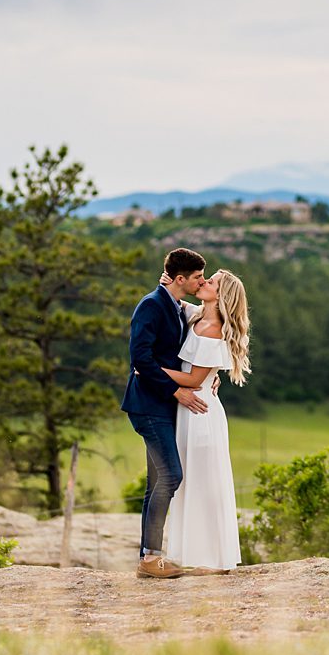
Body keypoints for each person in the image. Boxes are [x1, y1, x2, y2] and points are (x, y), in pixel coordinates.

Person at [122, 247, 209, 578]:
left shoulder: (173, 305)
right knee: (172, 475)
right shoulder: (151, 305)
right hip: (148, 404)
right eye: (198, 276)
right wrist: (176, 390)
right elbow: (140, 359)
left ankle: (148, 556)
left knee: (157, 479)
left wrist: (208, 379)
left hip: (162, 404)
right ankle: (150, 557)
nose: (201, 281)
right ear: (180, 279)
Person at [158, 270, 249, 571]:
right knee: (190, 480)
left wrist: (150, 370)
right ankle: (192, 554)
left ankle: (208, 557)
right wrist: (169, 283)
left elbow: (194, 378)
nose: (204, 282)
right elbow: (177, 301)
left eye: (211, 282)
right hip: (190, 408)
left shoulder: (212, 328)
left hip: (200, 411)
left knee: (202, 480)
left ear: (221, 295)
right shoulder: (198, 314)